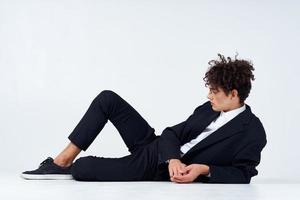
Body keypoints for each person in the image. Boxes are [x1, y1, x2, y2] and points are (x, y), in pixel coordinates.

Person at [21, 54, 267, 183]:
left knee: (84, 168)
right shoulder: (208, 108)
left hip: (154, 168)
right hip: (158, 146)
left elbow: (244, 173)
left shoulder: (252, 131)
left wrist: (203, 170)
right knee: (107, 99)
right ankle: (61, 162)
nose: (208, 95)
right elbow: (172, 132)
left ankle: (70, 167)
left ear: (234, 94)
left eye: (214, 92)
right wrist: (172, 156)